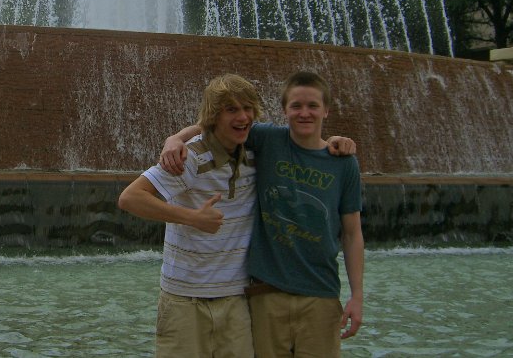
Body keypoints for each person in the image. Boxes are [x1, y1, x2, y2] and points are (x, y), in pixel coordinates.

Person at [160, 70, 364, 357]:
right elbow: (215, 123)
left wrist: (357, 296)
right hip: (266, 294)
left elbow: (353, 234)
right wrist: (175, 138)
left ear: (326, 110)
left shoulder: (344, 163)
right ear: (284, 111)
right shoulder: (268, 138)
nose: (304, 113)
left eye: (313, 106)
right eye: (296, 106)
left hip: (321, 293)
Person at [119, 73, 261, 357]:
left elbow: (302, 135)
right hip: (185, 299)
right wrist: (191, 217)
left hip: (235, 298)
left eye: (248, 108)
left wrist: (336, 142)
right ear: (214, 115)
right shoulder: (190, 156)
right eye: (231, 109)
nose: (243, 116)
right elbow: (130, 198)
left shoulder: (257, 149)